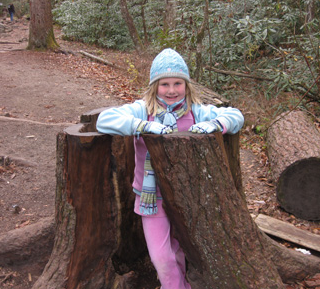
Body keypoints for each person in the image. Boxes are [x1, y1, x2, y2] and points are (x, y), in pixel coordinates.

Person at [96, 48, 244, 289]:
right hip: (151, 197)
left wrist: (216, 124)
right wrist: (142, 126)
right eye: (164, 84)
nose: (172, 90)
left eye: (178, 83)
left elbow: (236, 116)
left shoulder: (196, 110)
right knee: (161, 256)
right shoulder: (143, 109)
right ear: (154, 86)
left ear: (187, 84)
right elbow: (105, 120)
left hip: (189, 197)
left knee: (181, 248)